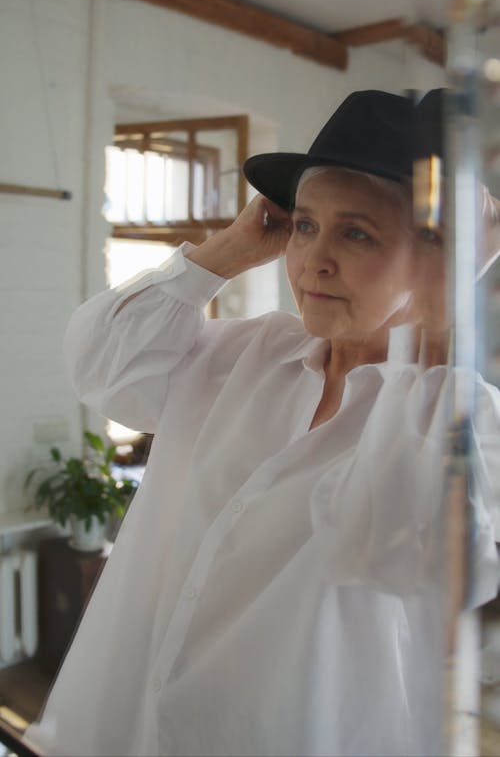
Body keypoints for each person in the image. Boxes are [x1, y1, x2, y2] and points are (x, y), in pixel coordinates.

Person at [26, 90, 500, 757]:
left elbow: (401, 555)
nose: (314, 261)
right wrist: (231, 247)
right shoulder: (245, 352)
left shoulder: (457, 409)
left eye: (356, 232)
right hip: (119, 728)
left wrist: (447, 313)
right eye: (305, 225)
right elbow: (102, 366)